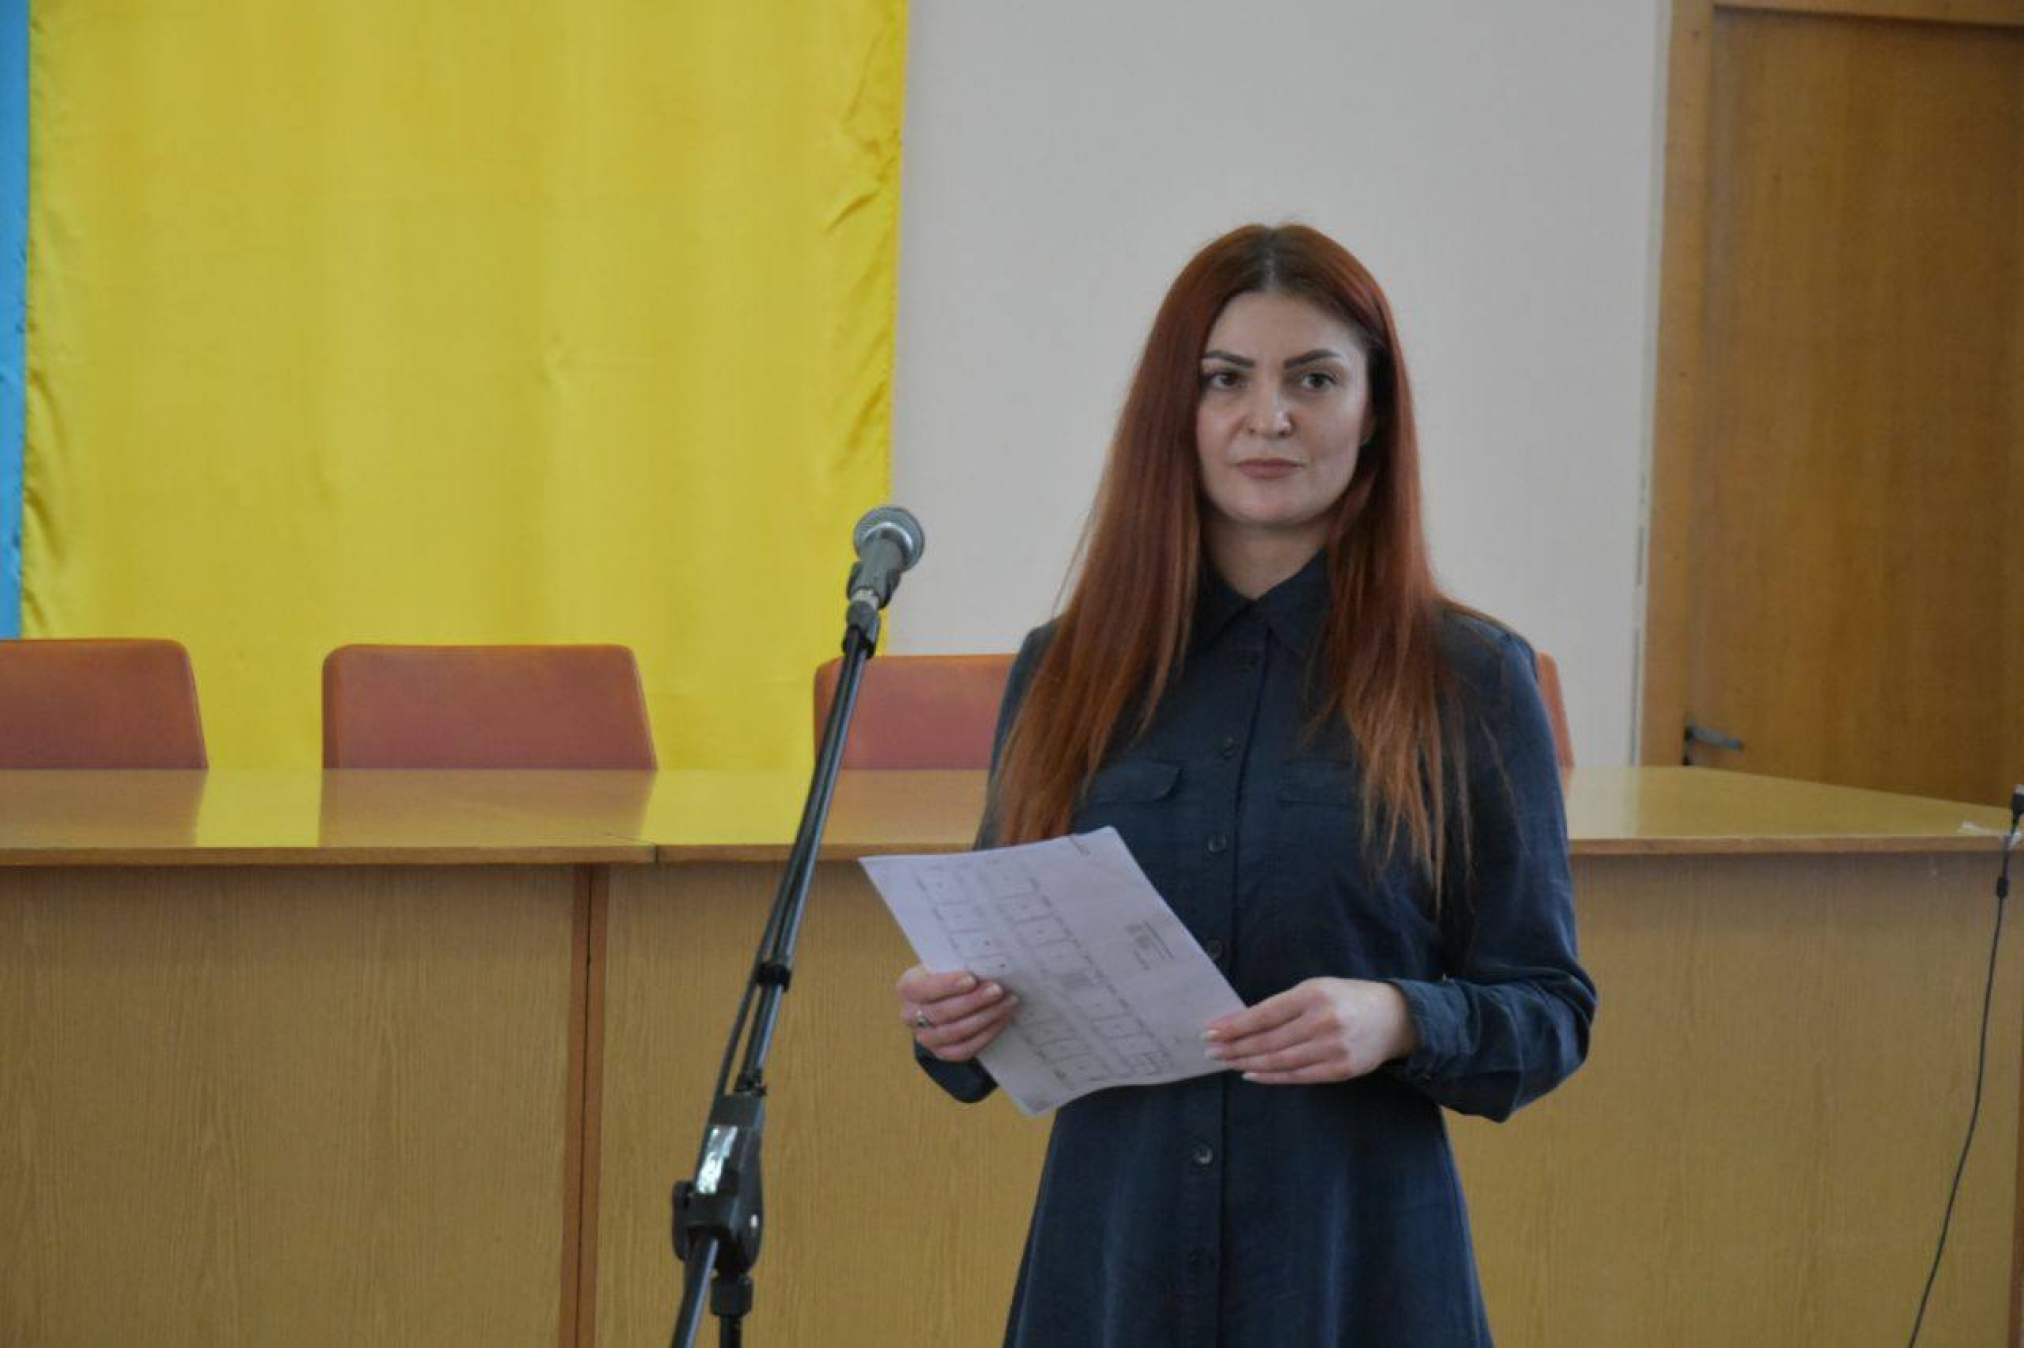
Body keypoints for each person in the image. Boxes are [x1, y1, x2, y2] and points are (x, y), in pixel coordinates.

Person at [892, 223, 1595, 1346]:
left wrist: (1399, 1017)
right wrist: (952, 1019)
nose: (1267, 418)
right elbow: (995, 984)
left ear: (1373, 411)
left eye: (1313, 380)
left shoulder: (1467, 677)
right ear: (1174, 411)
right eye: (1225, 380)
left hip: (1354, 1277)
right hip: (1111, 1272)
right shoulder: (1065, 670)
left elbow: (1550, 1011)